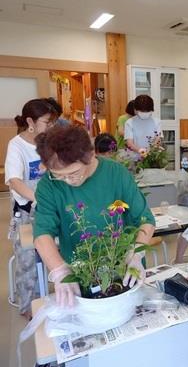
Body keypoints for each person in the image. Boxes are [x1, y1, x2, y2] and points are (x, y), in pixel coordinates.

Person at [33, 125, 155, 306]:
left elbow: (145, 220)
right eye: (59, 175)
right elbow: (42, 232)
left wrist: (136, 254)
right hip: (81, 273)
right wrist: (60, 271)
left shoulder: (116, 173)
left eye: (73, 173)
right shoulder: (48, 185)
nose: (68, 180)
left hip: (124, 267)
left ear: (90, 156)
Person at [4, 99, 56, 318]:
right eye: (47, 122)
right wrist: (38, 199)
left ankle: (53, 293)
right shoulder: (16, 145)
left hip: (49, 205)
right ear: (30, 122)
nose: (51, 127)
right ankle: (29, 307)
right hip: (27, 208)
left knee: (52, 251)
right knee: (27, 258)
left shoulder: (47, 141)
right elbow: (14, 181)